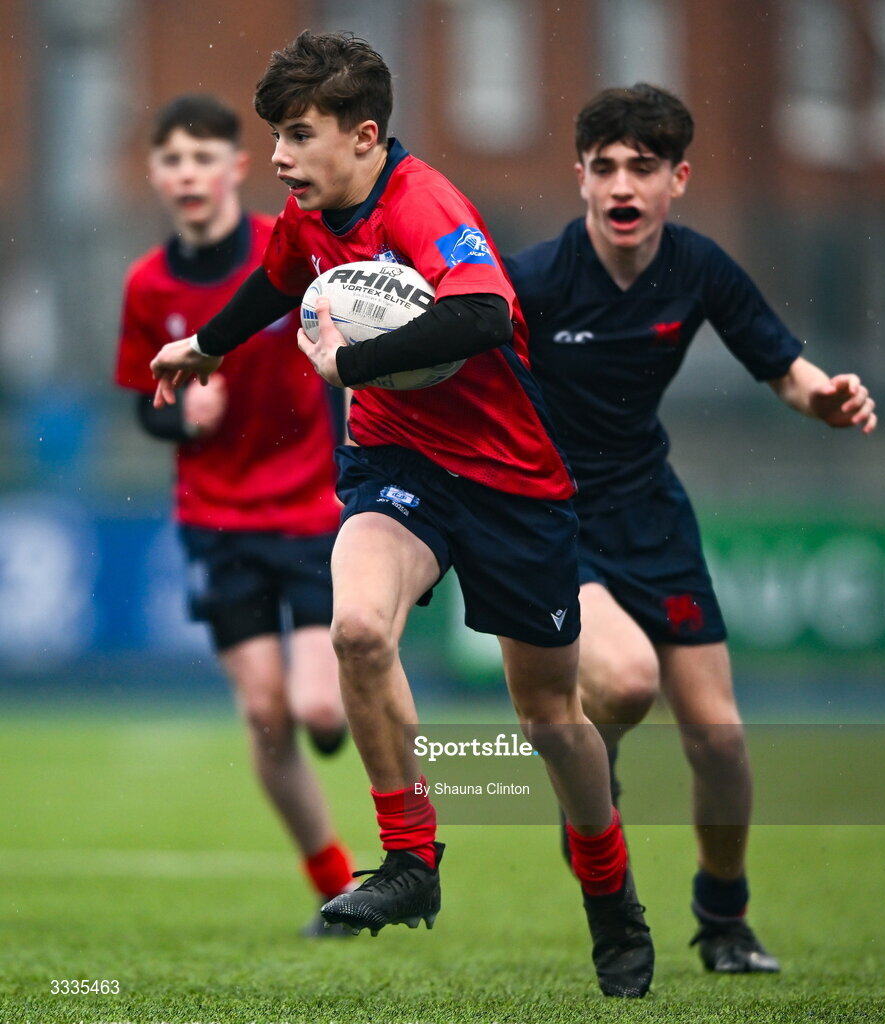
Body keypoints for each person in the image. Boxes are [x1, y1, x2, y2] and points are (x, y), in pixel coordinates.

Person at [149, 32, 654, 1000]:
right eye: (274, 137)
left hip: (510, 481)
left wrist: (351, 363)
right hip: (397, 461)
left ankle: (609, 892)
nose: (279, 159)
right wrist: (206, 346)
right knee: (354, 627)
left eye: (297, 136)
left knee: (550, 719)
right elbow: (278, 277)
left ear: (365, 134)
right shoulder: (308, 214)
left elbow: (480, 315)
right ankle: (409, 860)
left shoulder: (422, 204)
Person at [504, 83, 878, 975]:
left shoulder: (701, 268)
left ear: (680, 179)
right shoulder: (533, 281)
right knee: (626, 684)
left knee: (719, 737)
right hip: (553, 520)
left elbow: (784, 365)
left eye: (644, 168)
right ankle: (591, 785)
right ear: (580, 179)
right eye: (605, 169)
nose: (623, 186)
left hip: (652, 513)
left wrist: (822, 396)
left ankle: (724, 921)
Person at [113, 93, 356, 936]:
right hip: (218, 519)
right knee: (265, 712)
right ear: (155, 174)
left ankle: (342, 731)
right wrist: (182, 419)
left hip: (313, 511)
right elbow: (141, 404)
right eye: (172, 159)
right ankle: (332, 881)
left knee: (321, 711)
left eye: (203, 157)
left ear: (235, 169)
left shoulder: (281, 254)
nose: (188, 173)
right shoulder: (147, 284)